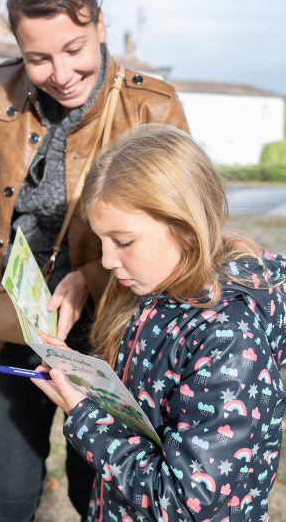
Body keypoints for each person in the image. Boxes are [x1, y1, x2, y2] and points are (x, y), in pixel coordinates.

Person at [0, 0, 188, 522]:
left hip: (113, 326)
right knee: (10, 489)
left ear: (100, 24)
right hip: (20, 319)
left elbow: (180, 228)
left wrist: (88, 274)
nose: (61, 75)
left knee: (96, 488)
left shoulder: (152, 105)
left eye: (75, 50)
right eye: (38, 58)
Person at [32, 124, 286, 522]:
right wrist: (83, 375)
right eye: (101, 240)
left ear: (183, 228)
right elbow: (143, 402)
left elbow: (183, 501)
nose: (107, 260)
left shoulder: (229, 339)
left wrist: (83, 416)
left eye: (124, 241)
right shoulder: (153, 293)